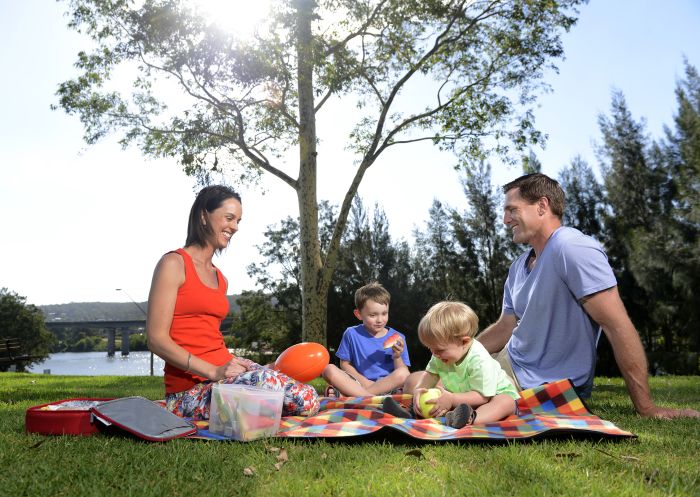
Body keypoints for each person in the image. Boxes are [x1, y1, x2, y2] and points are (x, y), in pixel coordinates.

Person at [476, 173, 699, 419]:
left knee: (440, 396)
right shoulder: (519, 266)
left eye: (512, 210)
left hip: (542, 384)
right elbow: (505, 327)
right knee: (435, 381)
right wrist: (461, 351)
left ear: (542, 206)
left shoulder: (572, 249)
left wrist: (647, 408)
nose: (505, 220)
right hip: (508, 362)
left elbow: (617, 325)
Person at [146, 185, 319, 420]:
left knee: (307, 394)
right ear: (203, 216)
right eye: (229, 218)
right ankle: (259, 405)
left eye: (238, 220)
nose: (235, 227)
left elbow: (208, 338)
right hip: (188, 394)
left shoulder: (220, 278)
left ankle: (257, 403)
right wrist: (214, 371)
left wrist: (234, 367)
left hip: (225, 372)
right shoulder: (174, 264)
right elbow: (156, 339)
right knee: (294, 395)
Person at [383, 301, 519, 427]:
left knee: (505, 402)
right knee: (435, 396)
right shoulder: (440, 355)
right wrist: (419, 390)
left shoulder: (479, 360)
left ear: (464, 342)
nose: (434, 354)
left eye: (439, 350)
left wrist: (452, 399)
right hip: (462, 399)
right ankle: (411, 412)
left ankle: (470, 418)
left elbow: (482, 397)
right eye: (431, 349)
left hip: (490, 396)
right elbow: (430, 375)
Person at [321, 282, 411, 397]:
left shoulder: (399, 337)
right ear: (359, 314)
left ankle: (356, 395)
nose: (380, 320)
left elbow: (403, 373)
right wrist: (365, 383)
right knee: (329, 369)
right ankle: (371, 397)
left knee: (403, 373)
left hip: (388, 386)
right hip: (358, 383)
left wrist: (397, 357)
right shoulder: (351, 334)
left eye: (384, 313)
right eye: (373, 315)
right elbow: (344, 364)